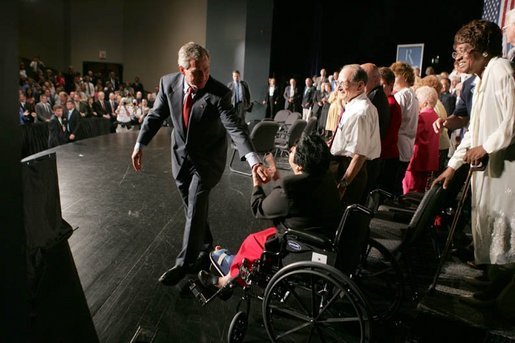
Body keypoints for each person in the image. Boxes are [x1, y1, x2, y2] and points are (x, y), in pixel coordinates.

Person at [131, 42, 269, 287]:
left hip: (208, 162)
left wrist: (253, 161)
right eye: (197, 72)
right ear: (182, 70)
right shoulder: (168, 84)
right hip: (180, 159)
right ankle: (206, 246)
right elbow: (155, 116)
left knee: (195, 204)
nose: (204, 76)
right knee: (192, 207)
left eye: (207, 69)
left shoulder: (219, 93)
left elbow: (236, 128)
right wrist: (140, 143)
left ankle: (184, 264)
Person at [432, 20, 515, 318]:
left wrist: (488, 146)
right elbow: (474, 131)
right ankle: (495, 287)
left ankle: (502, 303)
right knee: (490, 227)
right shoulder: (480, 79)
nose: (457, 59)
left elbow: (512, 120)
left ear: (481, 50)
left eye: (463, 51)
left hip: (506, 170)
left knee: (505, 229)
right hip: (488, 169)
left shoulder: (502, 70)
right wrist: (453, 166)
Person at [197, 134, 342, 289]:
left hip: (301, 242)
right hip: (322, 233)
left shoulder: (290, 188)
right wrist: (276, 176)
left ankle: (225, 281)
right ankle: (235, 263)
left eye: (293, 151)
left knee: (253, 241)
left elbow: (259, 208)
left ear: (300, 165)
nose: (291, 150)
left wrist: (256, 183)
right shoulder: (326, 177)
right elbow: (297, 202)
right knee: (263, 236)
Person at [329, 64, 381, 208]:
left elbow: (359, 155)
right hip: (345, 167)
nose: (338, 87)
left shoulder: (361, 112)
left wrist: (343, 185)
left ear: (360, 86)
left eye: (343, 83)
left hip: (349, 172)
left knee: (341, 215)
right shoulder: (353, 105)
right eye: (337, 82)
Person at [402, 86, 440, 194]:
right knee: (419, 193)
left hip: (418, 162)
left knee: (409, 193)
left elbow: (412, 135)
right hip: (428, 162)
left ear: (425, 103)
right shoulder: (435, 116)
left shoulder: (422, 117)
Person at [390, 61, 419, 195]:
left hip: (399, 142)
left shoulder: (402, 95)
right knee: (398, 180)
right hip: (407, 142)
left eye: (396, 76)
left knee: (394, 182)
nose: (394, 80)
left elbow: (395, 118)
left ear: (405, 77)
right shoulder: (412, 94)